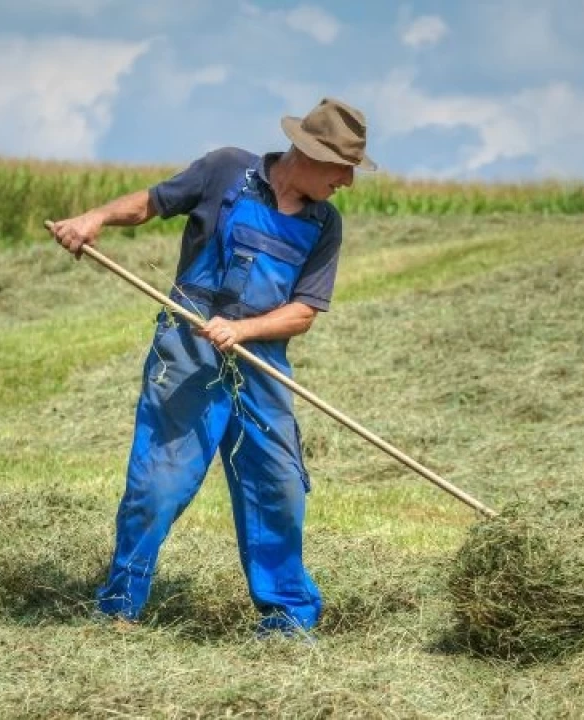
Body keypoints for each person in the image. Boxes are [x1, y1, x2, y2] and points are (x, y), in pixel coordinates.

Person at [46, 97, 376, 636]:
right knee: (159, 482)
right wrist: (94, 218)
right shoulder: (228, 169)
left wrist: (243, 330)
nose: (348, 181)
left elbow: (303, 313)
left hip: (260, 363)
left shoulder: (324, 223)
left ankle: (289, 620)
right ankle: (119, 607)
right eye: (344, 168)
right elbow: (152, 203)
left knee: (279, 488)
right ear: (312, 154)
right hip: (189, 352)